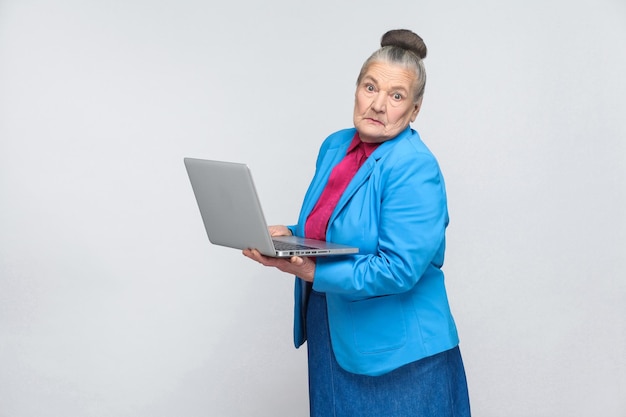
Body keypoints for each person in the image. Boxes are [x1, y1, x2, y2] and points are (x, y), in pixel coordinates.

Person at [243, 29, 470, 417]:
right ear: (357, 89)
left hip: (399, 359)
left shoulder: (414, 167)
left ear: (414, 111)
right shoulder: (335, 145)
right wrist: (292, 236)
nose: (379, 104)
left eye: (396, 96)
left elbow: (399, 269)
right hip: (332, 331)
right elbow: (336, 226)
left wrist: (315, 271)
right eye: (370, 87)